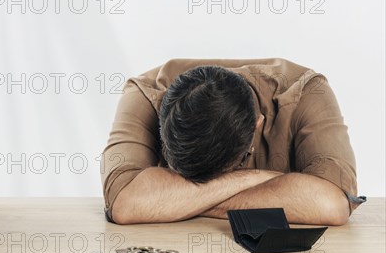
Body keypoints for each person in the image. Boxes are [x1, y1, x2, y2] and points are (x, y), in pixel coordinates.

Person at [100, 58, 366, 225]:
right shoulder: (145, 94)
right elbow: (125, 203)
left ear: (257, 125)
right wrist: (253, 179)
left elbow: (332, 204)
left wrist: (175, 202)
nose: (209, 186)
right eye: (191, 179)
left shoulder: (308, 92)